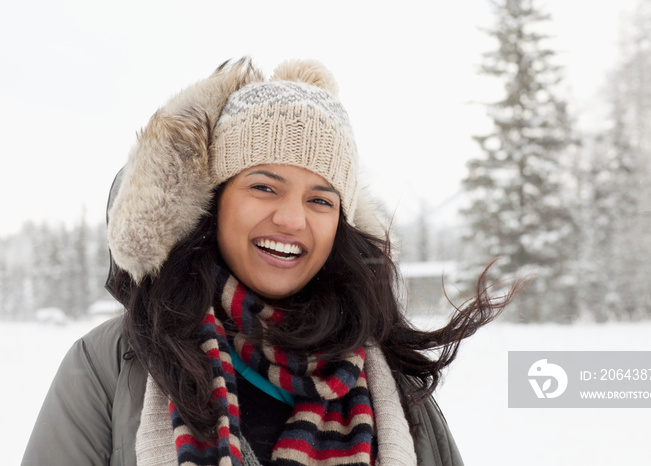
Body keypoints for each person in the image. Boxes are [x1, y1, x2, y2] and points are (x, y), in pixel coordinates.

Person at [22, 57, 515, 466]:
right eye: (264, 187)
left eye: (321, 200)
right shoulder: (111, 365)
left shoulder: (390, 382)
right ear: (214, 202)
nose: (292, 219)